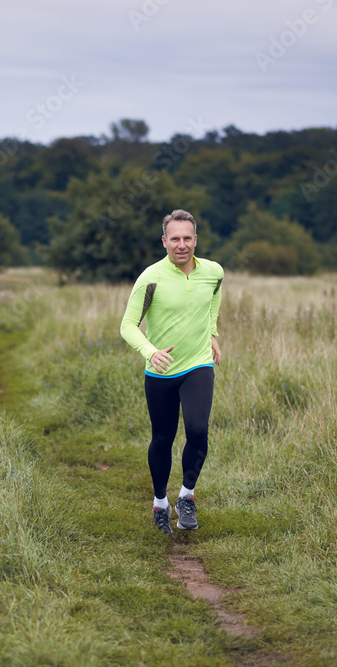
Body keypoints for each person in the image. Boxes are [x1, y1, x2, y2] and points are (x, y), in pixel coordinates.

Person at [120, 209, 223, 534]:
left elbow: (211, 303)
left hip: (197, 365)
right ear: (164, 241)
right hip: (160, 372)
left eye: (187, 238)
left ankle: (186, 498)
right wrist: (150, 351)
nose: (182, 245)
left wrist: (212, 333)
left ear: (196, 239)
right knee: (162, 439)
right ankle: (161, 502)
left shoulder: (214, 272)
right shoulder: (151, 277)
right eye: (175, 239)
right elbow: (127, 325)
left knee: (197, 431)